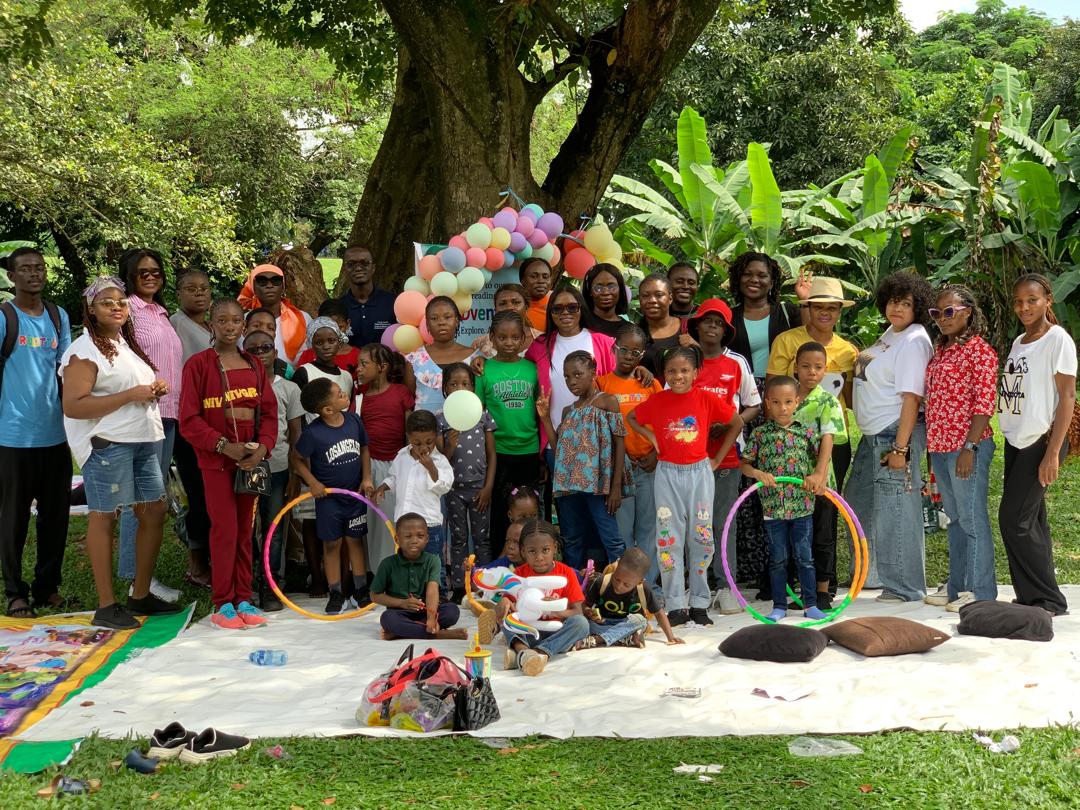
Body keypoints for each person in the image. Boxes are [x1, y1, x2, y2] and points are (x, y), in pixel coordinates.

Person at [60, 276, 179, 629]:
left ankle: (139, 593)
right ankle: (106, 604)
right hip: (109, 444)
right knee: (105, 517)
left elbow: (132, 389)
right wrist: (132, 395)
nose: (116, 307)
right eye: (106, 302)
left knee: (154, 512)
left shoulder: (124, 345)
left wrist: (153, 389)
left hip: (143, 439)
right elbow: (74, 405)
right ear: (91, 310)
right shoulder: (84, 351)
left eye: (121, 302)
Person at [180, 299, 278, 630]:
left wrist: (262, 448)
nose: (230, 326)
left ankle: (244, 597)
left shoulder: (254, 365)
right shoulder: (198, 365)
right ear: (211, 323)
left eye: (236, 321)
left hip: (249, 462)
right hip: (216, 462)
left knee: (244, 531)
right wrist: (224, 447)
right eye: (222, 320)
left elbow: (268, 414)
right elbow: (189, 420)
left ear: (244, 326)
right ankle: (223, 602)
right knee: (223, 530)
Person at [628, 346, 742, 627]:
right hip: (667, 473)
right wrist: (653, 440)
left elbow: (736, 422)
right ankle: (677, 604)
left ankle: (700, 603)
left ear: (695, 372)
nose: (677, 376)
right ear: (664, 374)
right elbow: (631, 418)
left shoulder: (704, 398)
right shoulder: (657, 401)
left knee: (701, 537)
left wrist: (716, 458)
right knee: (669, 538)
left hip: (699, 473)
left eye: (684, 370)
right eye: (671, 371)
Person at [846, 271, 934, 603]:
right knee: (860, 503)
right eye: (894, 301)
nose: (897, 308)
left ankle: (905, 587)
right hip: (872, 437)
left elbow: (912, 397)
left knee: (897, 509)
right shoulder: (891, 333)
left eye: (906, 304)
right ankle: (874, 575)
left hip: (893, 434)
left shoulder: (914, 340)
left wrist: (901, 446)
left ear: (918, 308)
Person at [727, 252, 811, 591]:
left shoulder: (787, 312)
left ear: (772, 280)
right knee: (750, 483)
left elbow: (808, 339)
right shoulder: (729, 317)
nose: (755, 280)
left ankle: (783, 570)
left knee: (781, 480)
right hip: (743, 404)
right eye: (748, 274)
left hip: (781, 401)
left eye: (762, 275)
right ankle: (754, 567)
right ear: (738, 278)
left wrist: (805, 301)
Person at [997, 273, 1076, 617]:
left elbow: (1067, 396)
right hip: (1015, 440)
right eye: (1018, 301)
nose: (1024, 307)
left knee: (1013, 520)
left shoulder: (1057, 339)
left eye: (1032, 300)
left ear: (1048, 301)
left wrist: (1053, 452)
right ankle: (1034, 598)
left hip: (1040, 440)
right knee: (1032, 521)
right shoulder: (1019, 342)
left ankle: (1048, 599)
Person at [0, 247, 73, 618]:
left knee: (55, 516)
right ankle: (15, 592)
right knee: (12, 518)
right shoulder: (4, 317)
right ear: (12, 277)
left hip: (55, 436)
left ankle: (48, 587)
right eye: (25, 269)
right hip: (12, 437)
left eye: (40, 268)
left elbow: (67, 372)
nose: (34, 274)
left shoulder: (58, 317)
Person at [921, 286, 998, 612]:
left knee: (972, 519)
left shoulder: (980, 352)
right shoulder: (941, 350)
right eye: (937, 314)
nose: (942, 319)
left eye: (949, 312)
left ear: (967, 311)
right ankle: (957, 588)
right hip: (940, 446)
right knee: (954, 519)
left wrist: (969, 446)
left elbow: (984, 405)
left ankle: (981, 592)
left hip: (968, 447)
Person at [686, 299, 761, 613]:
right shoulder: (686, 360)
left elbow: (754, 404)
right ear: (697, 326)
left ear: (727, 330)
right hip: (688, 456)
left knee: (722, 523)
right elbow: (670, 400)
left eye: (719, 322)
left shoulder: (736, 363)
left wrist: (731, 424)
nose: (712, 326)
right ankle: (697, 586)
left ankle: (727, 585)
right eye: (707, 320)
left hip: (727, 457)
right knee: (693, 523)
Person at [117, 248, 183, 602]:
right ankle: (135, 579)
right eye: (142, 272)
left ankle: (143, 574)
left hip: (169, 414)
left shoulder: (159, 311)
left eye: (156, 271)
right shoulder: (126, 311)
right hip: (143, 414)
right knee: (141, 497)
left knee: (152, 496)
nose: (150, 276)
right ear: (130, 276)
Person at [741, 375, 829, 622]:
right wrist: (758, 473)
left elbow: (820, 461)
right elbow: (745, 464)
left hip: (802, 506)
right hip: (772, 508)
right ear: (767, 402)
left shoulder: (806, 433)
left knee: (805, 557)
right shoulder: (760, 434)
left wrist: (816, 477)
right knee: (778, 558)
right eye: (777, 402)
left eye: (789, 401)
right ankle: (779, 605)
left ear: (797, 402)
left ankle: (810, 605)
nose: (783, 408)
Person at [538, 350, 627, 568]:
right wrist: (545, 418)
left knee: (610, 535)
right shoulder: (569, 410)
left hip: (597, 485)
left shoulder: (607, 402)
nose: (571, 381)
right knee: (572, 537)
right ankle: (575, 584)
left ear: (593, 372)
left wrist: (615, 487)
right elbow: (560, 450)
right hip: (569, 486)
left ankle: (621, 584)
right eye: (567, 377)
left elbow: (619, 444)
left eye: (577, 374)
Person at [293, 377, 374, 614]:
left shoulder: (354, 421)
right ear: (327, 409)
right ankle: (336, 592)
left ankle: (360, 590)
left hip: (354, 496)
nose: (345, 394)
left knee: (355, 542)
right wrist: (313, 483)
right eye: (339, 394)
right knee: (332, 544)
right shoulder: (313, 433)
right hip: (329, 500)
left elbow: (365, 448)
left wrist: (367, 477)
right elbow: (297, 460)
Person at [599, 324, 663, 593]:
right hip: (619, 469)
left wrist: (657, 455)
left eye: (635, 351)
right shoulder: (601, 383)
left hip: (648, 464)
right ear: (614, 349)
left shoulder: (651, 383)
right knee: (622, 531)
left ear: (643, 353)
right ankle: (624, 586)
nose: (628, 355)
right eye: (624, 349)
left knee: (649, 528)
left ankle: (648, 586)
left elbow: (664, 422)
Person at [244, 330, 304, 611]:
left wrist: (295, 473)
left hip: (278, 467)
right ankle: (247, 584)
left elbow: (295, 436)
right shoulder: (238, 386)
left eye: (266, 347)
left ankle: (271, 585)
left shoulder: (289, 389)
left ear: (275, 353)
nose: (260, 353)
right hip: (244, 466)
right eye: (253, 349)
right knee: (246, 528)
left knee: (273, 528)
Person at [525, 285, 618, 457]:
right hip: (556, 440)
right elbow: (519, 367)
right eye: (557, 308)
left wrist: (642, 369)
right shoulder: (539, 345)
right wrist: (481, 360)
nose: (565, 313)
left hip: (597, 442)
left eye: (572, 307)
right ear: (551, 313)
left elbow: (620, 378)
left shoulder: (603, 343)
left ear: (581, 309)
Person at [477, 310, 540, 559]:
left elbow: (539, 409)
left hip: (529, 450)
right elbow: (480, 415)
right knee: (501, 513)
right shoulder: (484, 371)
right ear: (492, 337)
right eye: (502, 337)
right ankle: (500, 565)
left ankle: (533, 562)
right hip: (499, 453)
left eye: (515, 337)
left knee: (531, 513)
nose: (509, 343)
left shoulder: (532, 369)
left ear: (524, 338)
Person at [791, 342, 848, 610]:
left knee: (822, 537)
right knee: (799, 538)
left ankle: (823, 592)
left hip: (821, 482)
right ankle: (807, 592)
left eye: (818, 367)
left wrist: (820, 473)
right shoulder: (787, 399)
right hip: (792, 482)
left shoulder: (827, 400)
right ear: (795, 368)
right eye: (805, 366)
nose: (811, 372)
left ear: (825, 370)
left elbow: (828, 438)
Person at [374, 410, 454, 596]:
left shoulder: (440, 461)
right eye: (417, 443)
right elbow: (394, 477)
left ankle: (439, 597)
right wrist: (383, 487)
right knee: (406, 562)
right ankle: (410, 596)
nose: (423, 447)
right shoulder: (401, 456)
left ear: (435, 437)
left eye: (429, 442)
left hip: (429, 526)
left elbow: (444, 486)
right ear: (408, 437)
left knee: (434, 562)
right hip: (404, 523)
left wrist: (430, 467)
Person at [498, 519, 589, 676]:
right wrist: (504, 601)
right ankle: (524, 652)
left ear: (555, 548)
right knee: (507, 619)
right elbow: (507, 604)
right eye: (532, 551)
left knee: (582, 624)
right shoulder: (519, 574)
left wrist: (558, 612)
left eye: (545, 550)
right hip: (528, 632)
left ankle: (536, 653)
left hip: (557, 633)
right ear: (523, 551)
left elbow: (578, 611)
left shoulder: (566, 573)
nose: (539, 557)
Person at [435, 363, 496, 594]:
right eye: (454, 384)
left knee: (482, 539)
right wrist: (450, 444)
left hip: (480, 488)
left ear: (473, 387)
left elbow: (492, 455)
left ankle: (484, 586)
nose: (460, 388)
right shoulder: (441, 419)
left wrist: (488, 486)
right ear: (445, 388)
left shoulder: (483, 416)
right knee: (458, 537)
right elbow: (442, 459)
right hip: (453, 489)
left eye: (466, 384)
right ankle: (460, 586)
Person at [170, 268, 213, 587]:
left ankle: (218, 558)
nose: (199, 293)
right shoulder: (175, 325)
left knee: (216, 495)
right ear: (179, 293)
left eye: (204, 288)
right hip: (192, 424)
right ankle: (197, 563)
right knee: (197, 495)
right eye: (190, 288)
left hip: (221, 424)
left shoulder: (216, 325)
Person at [356, 343, 414, 574]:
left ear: (382, 367)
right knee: (374, 523)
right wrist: (366, 474)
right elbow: (361, 438)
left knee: (394, 521)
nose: (358, 369)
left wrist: (408, 467)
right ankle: (376, 573)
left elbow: (409, 434)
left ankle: (398, 572)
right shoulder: (360, 397)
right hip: (370, 467)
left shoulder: (401, 393)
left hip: (397, 466)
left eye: (364, 364)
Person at [373, 513, 466, 640]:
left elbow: (432, 589)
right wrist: (402, 603)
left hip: (426, 610)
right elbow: (375, 595)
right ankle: (439, 635)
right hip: (399, 612)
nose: (414, 540)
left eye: (420, 536)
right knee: (387, 618)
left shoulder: (433, 560)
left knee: (452, 611)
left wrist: (431, 617)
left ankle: (402, 632)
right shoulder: (387, 564)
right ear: (397, 539)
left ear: (427, 539)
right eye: (408, 536)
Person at [578, 548, 683, 649]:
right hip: (603, 624)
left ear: (639, 581)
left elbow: (659, 613)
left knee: (641, 621)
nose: (619, 586)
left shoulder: (643, 588)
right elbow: (584, 605)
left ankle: (598, 639)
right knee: (583, 623)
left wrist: (670, 637)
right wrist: (589, 612)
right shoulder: (602, 582)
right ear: (617, 566)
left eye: (626, 585)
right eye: (617, 579)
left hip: (629, 625)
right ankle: (624, 639)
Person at [405, 296, 477, 413]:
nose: (441, 322)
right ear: (427, 324)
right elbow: (409, 401)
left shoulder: (473, 357)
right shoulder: (414, 360)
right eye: (434, 318)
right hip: (425, 429)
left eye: (447, 317)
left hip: (465, 429)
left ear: (457, 321)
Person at [237, 263, 312, 365]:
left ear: (283, 286)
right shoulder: (242, 322)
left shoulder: (303, 318)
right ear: (253, 286)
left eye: (276, 280)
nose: (269, 285)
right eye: (262, 281)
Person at [293, 317, 354, 418]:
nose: (326, 346)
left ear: (339, 342)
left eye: (331, 341)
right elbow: (296, 412)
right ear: (311, 345)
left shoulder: (347, 376)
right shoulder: (304, 372)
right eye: (319, 343)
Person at [340, 245, 396, 349]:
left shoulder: (393, 303)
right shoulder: (338, 307)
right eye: (351, 264)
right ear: (345, 269)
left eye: (364, 263)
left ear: (373, 268)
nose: (358, 268)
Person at [294, 298, 361, 384]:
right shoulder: (308, 356)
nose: (335, 333)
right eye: (329, 328)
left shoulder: (357, 356)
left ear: (348, 324)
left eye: (339, 327)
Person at [471, 284, 542, 358]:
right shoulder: (480, 343)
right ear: (496, 309)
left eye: (516, 302)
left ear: (526, 306)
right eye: (502, 304)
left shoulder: (543, 340)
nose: (509, 307)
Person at [638, 274, 687, 377]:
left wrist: (697, 346)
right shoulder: (634, 333)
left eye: (659, 295)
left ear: (670, 298)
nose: (652, 300)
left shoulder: (688, 328)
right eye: (645, 295)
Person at [581, 263, 631, 339]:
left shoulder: (629, 330)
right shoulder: (580, 322)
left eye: (611, 286)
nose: (605, 292)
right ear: (590, 291)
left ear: (620, 289)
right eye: (598, 287)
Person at [245, 308, 294, 380]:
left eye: (270, 328)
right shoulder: (233, 365)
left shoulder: (285, 369)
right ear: (244, 330)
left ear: (274, 335)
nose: (263, 331)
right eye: (257, 326)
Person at [520, 258, 553, 333]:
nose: (541, 281)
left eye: (545, 277)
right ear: (522, 281)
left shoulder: (558, 309)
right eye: (534, 276)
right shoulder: (514, 309)